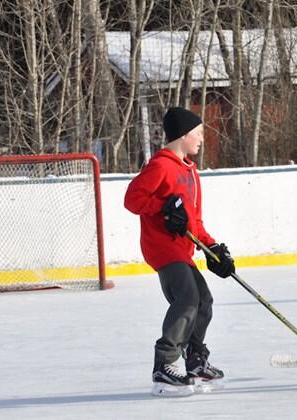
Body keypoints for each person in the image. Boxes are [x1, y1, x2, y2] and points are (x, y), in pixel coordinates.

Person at [124, 107, 236, 396]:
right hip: (162, 248)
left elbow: (194, 221)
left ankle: (196, 359)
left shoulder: (190, 172)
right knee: (187, 298)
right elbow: (132, 199)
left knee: (204, 301)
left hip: (182, 250)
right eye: (198, 134)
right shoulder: (161, 166)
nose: (201, 139)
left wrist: (212, 247)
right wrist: (161, 209)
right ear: (184, 135)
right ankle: (165, 363)